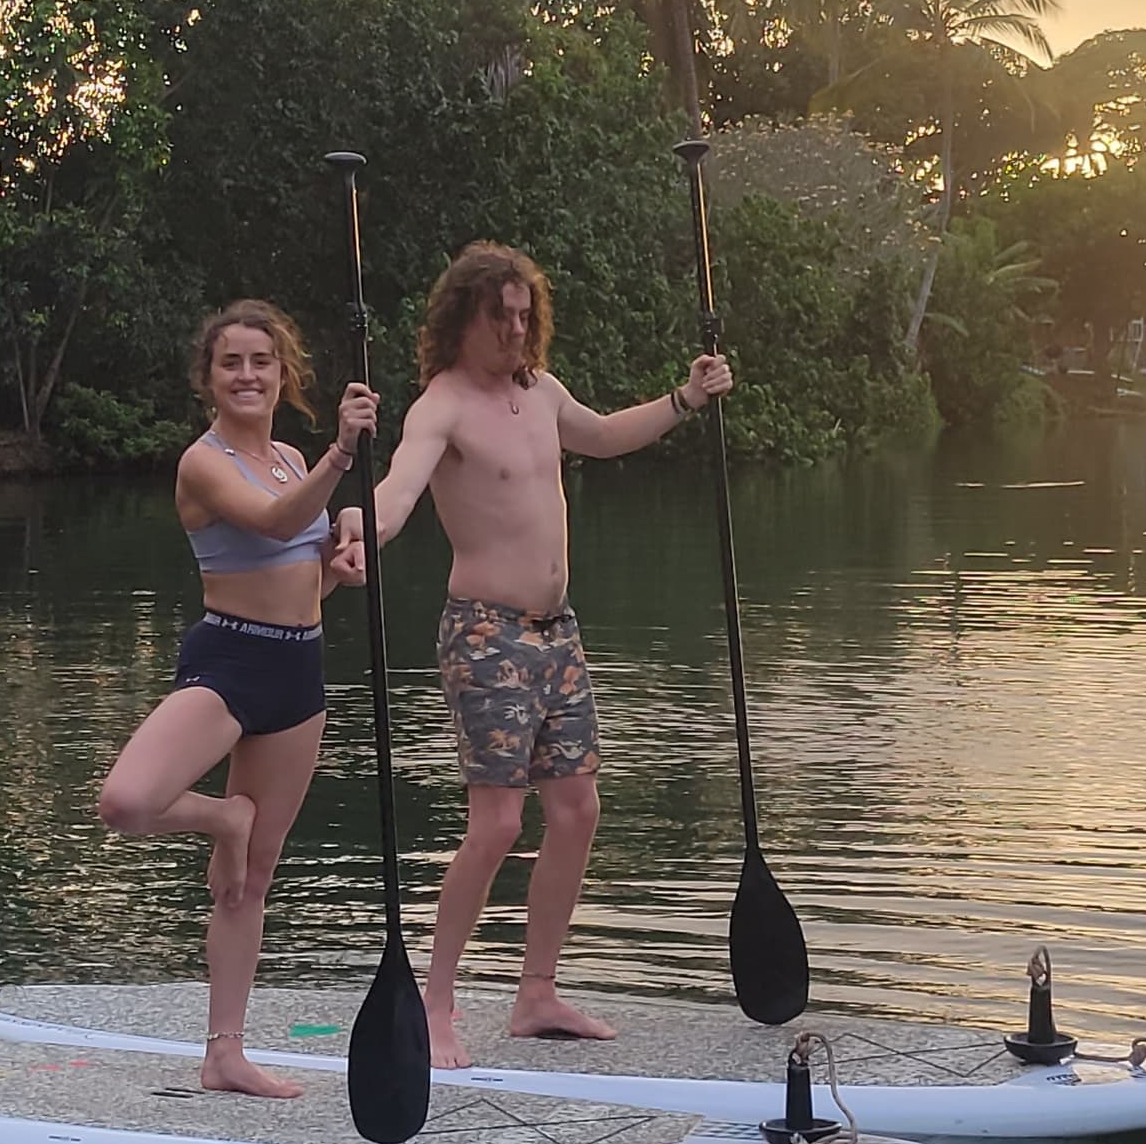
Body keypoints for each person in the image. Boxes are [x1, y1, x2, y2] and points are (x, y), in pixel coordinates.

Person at [335, 242, 731, 1068]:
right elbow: (400, 489)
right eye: (500, 317)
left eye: (525, 315)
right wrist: (359, 530)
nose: (516, 330)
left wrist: (685, 399)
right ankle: (434, 1008)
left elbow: (607, 435)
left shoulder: (540, 392)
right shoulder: (441, 407)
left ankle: (537, 995)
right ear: (463, 320)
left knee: (579, 811)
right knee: (498, 825)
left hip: (559, 633)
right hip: (486, 636)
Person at [98, 300, 377, 1098]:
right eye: (232, 364)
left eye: (261, 361)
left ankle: (225, 1052)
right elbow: (266, 521)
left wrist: (343, 553)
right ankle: (223, 815)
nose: (248, 375)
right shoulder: (205, 462)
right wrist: (342, 458)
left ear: (282, 373)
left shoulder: (291, 456)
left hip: (300, 672)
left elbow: (305, 570)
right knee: (126, 802)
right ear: (209, 380)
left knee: (247, 883)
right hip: (229, 662)